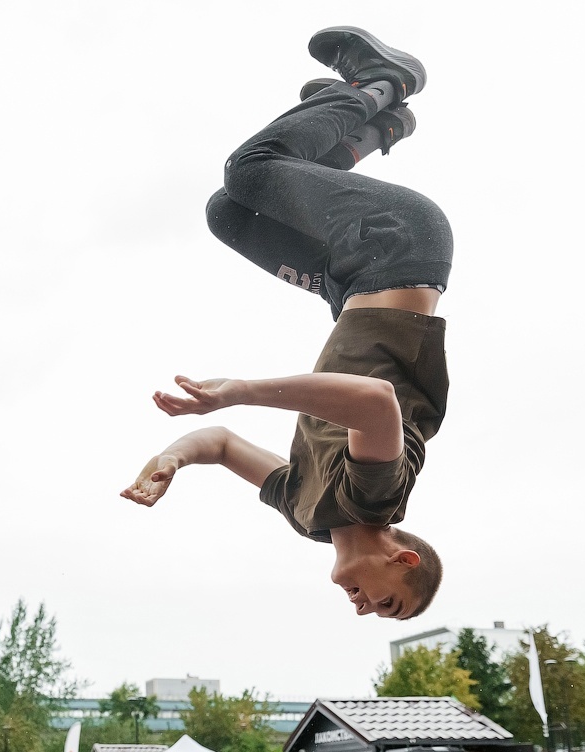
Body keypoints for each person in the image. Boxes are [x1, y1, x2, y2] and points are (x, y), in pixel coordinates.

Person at [123, 26, 448, 624]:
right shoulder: (376, 498)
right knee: (251, 172)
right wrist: (240, 391)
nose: (364, 610)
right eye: (388, 603)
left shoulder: (309, 515)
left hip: (344, 279)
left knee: (230, 214)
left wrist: (170, 460)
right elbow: (375, 404)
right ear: (401, 559)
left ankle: (375, 128)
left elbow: (220, 447)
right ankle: (382, 82)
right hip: (400, 247)